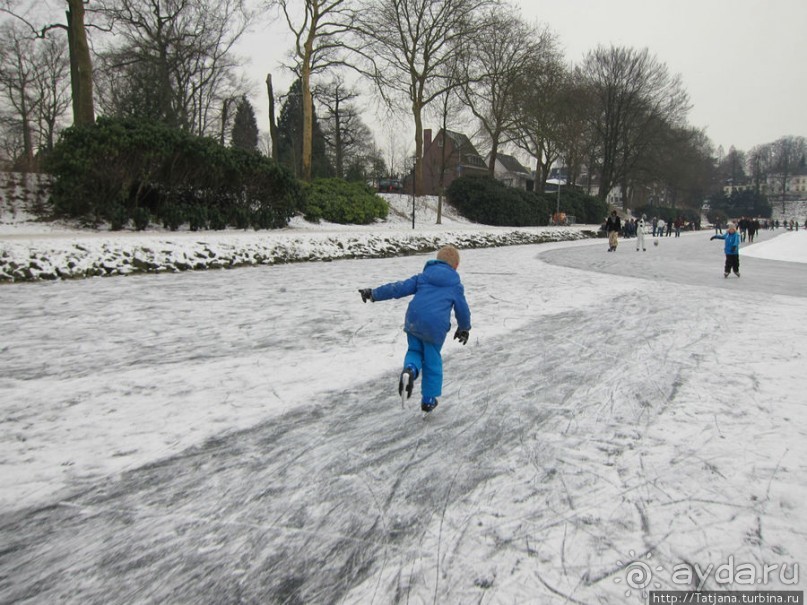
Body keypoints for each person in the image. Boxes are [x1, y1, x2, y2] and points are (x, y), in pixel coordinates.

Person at [358, 245, 471, 412]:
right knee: (432, 362)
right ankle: (428, 400)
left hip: (414, 320)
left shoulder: (423, 277)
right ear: (455, 267)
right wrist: (464, 328)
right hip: (434, 328)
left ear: (436, 261)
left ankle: (410, 370)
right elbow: (462, 310)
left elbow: (398, 288)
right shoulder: (455, 285)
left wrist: (373, 293)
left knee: (414, 351)